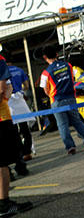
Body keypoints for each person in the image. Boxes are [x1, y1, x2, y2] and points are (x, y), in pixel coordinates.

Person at [40, 46, 84, 155]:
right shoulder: (68, 65)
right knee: (77, 121)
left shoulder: (46, 73)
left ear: (45, 57)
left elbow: (45, 90)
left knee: (62, 125)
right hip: (71, 98)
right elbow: (75, 77)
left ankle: (70, 147)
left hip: (57, 101)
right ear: (56, 54)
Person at [0, 55, 33, 216]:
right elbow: (3, 89)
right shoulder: (1, 62)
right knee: (3, 163)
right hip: (3, 117)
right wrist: (6, 94)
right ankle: (4, 204)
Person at [6, 59, 34, 162]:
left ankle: (20, 153)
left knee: (13, 130)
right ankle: (27, 152)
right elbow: (26, 86)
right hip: (20, 100)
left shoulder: (3, 71)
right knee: (25, 128)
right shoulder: (19, 70)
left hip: (9, 102)